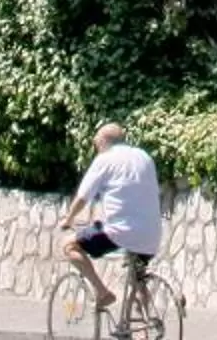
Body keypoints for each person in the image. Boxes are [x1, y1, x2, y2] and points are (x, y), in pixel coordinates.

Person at [60, 122, 163, 308]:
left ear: (104, 141)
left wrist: (68, 219)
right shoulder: (144, 157)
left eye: (96, 142)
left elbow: (83, 197)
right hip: (152, 234)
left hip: (121, 232)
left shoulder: (105, 159)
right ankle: (144, 329)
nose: (96, 146)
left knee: (69, 245)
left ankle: (102, 292)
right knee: (137, 278)